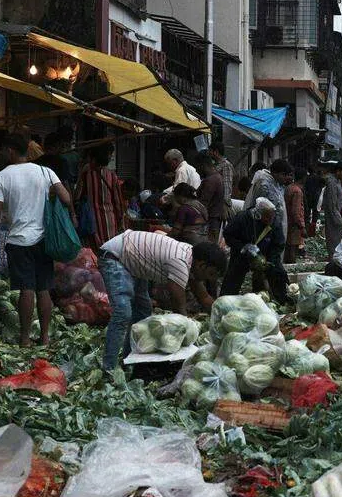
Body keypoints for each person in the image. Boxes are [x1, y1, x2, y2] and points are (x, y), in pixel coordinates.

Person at [0, 134, 73, 348]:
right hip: (44, 239)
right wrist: (50, 194)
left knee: (26, 288)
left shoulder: (0, 177)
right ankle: (45, 338)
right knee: (43, 288)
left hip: (18, 241)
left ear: (10, 151)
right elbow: (67, 199)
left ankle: (25, 339)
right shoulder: (45, 171)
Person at [98, 230, 224, 370]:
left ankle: (129, 360)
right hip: (115, 257)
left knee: (143, 310)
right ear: (202, 265)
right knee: (123, 313)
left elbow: (204, 297)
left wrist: (224, 318)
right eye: (210, 274)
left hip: (133, 262)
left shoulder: (191, 260)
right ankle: (108, 368)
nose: (207, 279)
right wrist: (187, 332)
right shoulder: (180, 262)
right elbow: (178, 306)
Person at [222, 197, 289, 301]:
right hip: (243, 253)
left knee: (278, 273)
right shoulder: (242, 218)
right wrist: (243, 247)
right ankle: (226, 300)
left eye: (271, 217)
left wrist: (269, 260)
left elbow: (278, 244)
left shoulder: (275, 222)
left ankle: (281, 300)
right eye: (267, 217)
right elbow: (228, 235)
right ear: (258, 214)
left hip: (266, 254)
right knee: (233, 277)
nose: (269, 220)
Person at [74, 144, 126, 250]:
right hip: (109, 222)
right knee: (109, 251)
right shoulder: (111, 175)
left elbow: (77, 196)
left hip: (91, 221)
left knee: (94, 252)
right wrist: (121, 220)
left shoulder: (86, 173)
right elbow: (118, 202)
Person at [245, 159, 293, 244]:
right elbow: (260, 209)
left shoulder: (276, 184)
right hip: (265, 228)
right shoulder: (264, 185)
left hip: (274, 227)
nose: (286, 178)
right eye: (284, 175)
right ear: (275, 173)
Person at [194, 153, 227, 243]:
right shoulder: (217, 177)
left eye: (197, 167)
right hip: (214, 221)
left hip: (211, 222)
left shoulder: (211, 180)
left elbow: (202, 204)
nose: (197, 171)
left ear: (203, 165)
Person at [321, 162, 342, 257]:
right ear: (338, 171)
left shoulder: (337, 181)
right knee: (335, 243)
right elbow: (332, 204)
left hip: (338, 216)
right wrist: (339, 221)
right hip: (335, 219)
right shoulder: (332, 183)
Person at [284, 169, 306, 263]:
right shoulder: (297, 191)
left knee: (288, 247)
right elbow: (296, 211)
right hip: (294, 224)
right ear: (303, 178)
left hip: (287, 221)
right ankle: (291, 266)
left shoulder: (289, 188)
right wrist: (302, 226)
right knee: (293, 247)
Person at [207, 142, 234, 216]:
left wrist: (224, 205)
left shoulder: (226, 165)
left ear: (216, 152)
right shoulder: (214, 165)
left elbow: (227, 186)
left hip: (222, 205)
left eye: (210, 151)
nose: (209, 153)